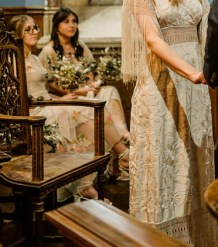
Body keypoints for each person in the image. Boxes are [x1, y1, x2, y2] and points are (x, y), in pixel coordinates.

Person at [121, 0, 218, 246]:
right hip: (163, 89)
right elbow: (152, 38)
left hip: (197, 91)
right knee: (163, 171)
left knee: (193, 170)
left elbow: (211, 36)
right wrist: (191, 72)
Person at [8, 15, 129, 200]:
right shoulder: (14, 62)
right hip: (33, 111)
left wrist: (62, 98)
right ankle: (123, 155)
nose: (34, 32)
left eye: (35, 28)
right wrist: (60, 100)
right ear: (17, 34)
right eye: (28, 29)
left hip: (47, 102)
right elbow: (16, 98)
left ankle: (87, 184)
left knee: (92, 109)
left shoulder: (33, 57)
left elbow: (45, 90)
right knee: (86, 110)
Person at [39, 7, 129, 151]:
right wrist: (80, 90)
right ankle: (119, 146)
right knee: (95, 103)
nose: (71, 25)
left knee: (111, 91)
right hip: (70, 95)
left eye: (74, 21)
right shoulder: (49, 51)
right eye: (66, 21)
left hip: (89, 90)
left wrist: (96, 84)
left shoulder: (79, 45)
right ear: (57, 26)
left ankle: (122, 132)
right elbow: (50, 84)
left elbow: (93, 68)